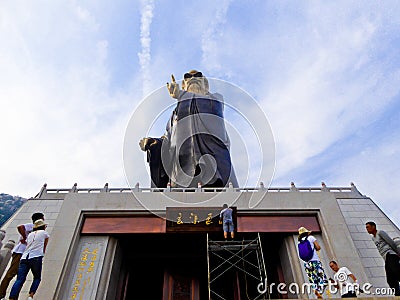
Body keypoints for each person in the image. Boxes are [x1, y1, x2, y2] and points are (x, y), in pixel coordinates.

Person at [139, 70, 238, 188]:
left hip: (216, 168)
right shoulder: (175, 115)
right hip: (181, 170)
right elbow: (168, 142)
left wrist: (181, 95)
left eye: (197, 76)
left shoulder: (214, 100)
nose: (193, 78)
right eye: (188, 77)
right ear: (183, 86)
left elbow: (210, 114)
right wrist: (154, 144)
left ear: (206, 85)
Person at [0, 212, 44, 300]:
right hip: (20, 252)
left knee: (20, 277)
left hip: (27, 255)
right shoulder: (32, 226)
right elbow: (20, 227)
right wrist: (24, 237)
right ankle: (1, 294)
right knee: (11, 273)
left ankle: (13, 296)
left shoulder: (38, 231)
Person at [8, 219, 49, 300]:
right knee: (37, 277)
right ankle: (31, 295)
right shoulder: (44, 233)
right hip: (36, 257)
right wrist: (42, 253)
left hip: (24, 257)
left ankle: (12, 297)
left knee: (19, 279)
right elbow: (44, 245)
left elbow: (27, 243)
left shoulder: (30, 235)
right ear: (43, 226)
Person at [365, 221, 400, 296]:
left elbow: (390, 242)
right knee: (390, 279)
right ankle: (398, 294)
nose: (367, 229)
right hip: (386, 258)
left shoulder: (380, 233)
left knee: (396, 271)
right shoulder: (373, 238)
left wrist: (397, 253)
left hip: (390, 254)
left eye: (368, 227)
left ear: (373, 226)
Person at [297, 227, 328, 299]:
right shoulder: (311, 237)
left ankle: (317, 291)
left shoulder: (300, 241)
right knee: (321, 277)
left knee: (313, 278)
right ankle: (321, 289)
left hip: (307, 264)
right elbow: (318, 247)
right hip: (315, 260)